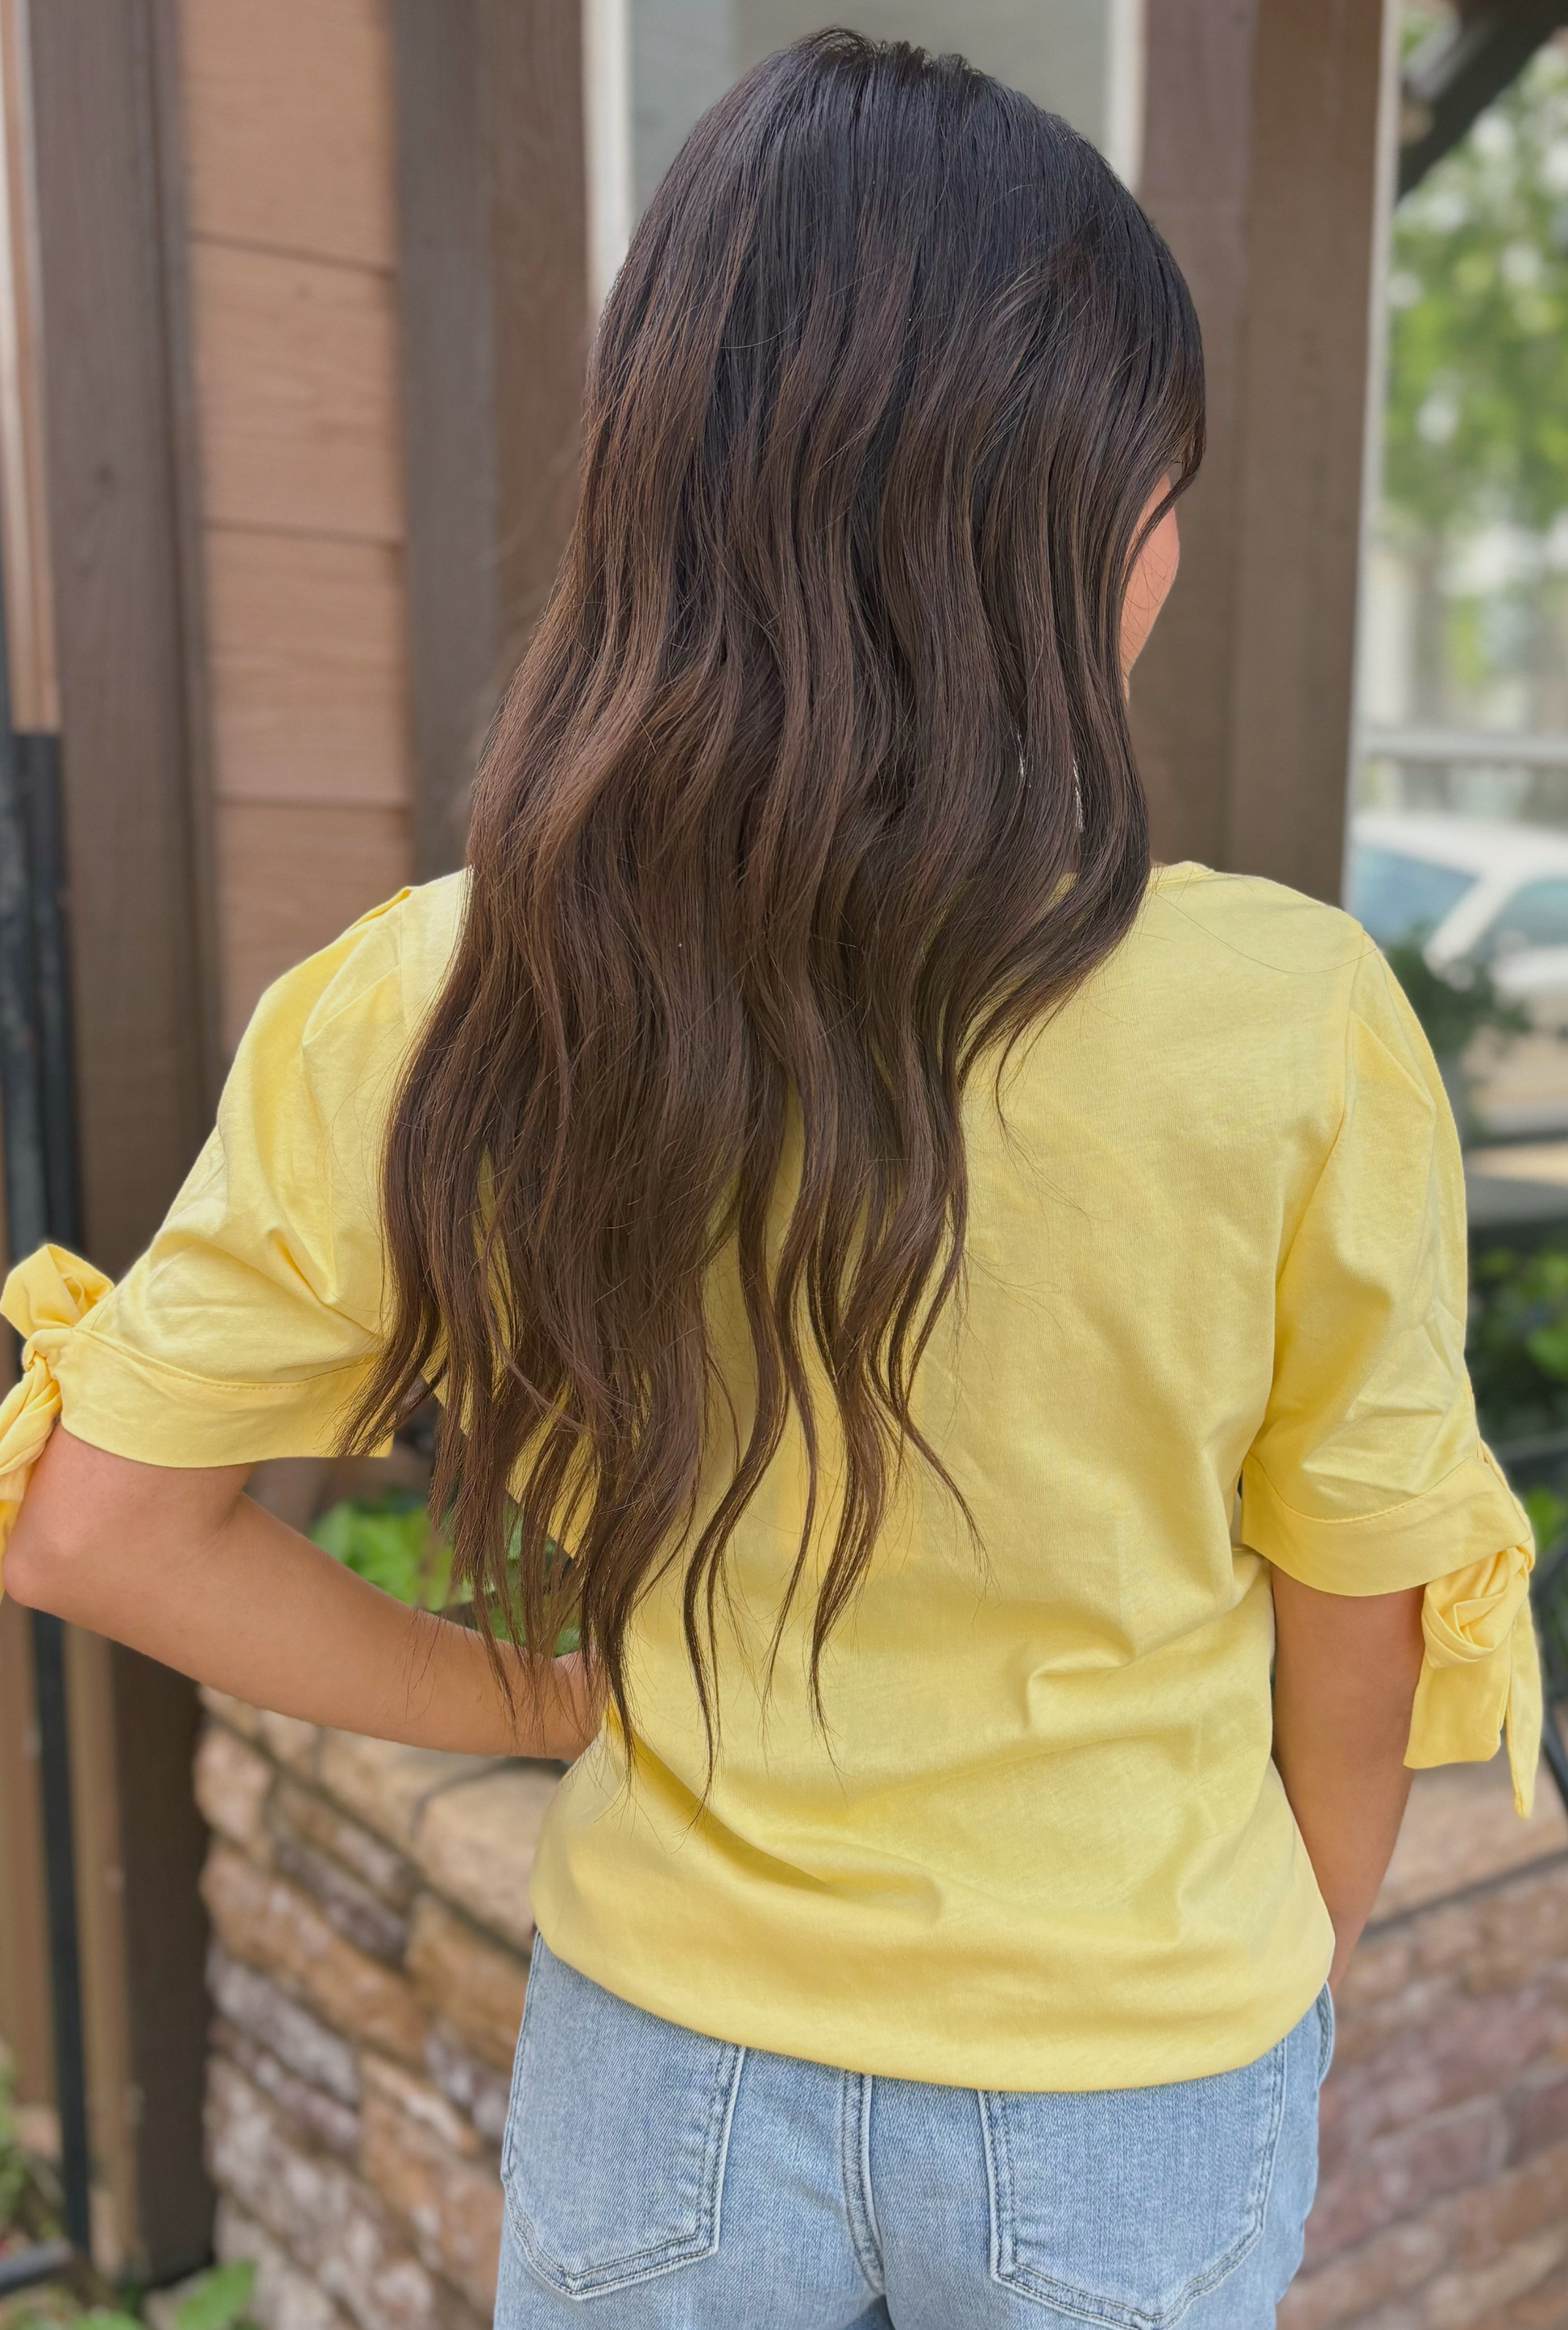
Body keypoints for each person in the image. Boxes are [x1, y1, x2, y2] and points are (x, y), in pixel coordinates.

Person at [0, 33, 1541, 2330]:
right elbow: (1364, 1596)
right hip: (1133, 2075)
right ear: (1066, 527)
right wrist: (1288, 1955)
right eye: (1160, 485)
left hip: (669, 2069)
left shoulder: (439, 1004)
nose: (1181, 547)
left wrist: (532, 1709)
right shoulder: (1289, 1026)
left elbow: (94, 1521)